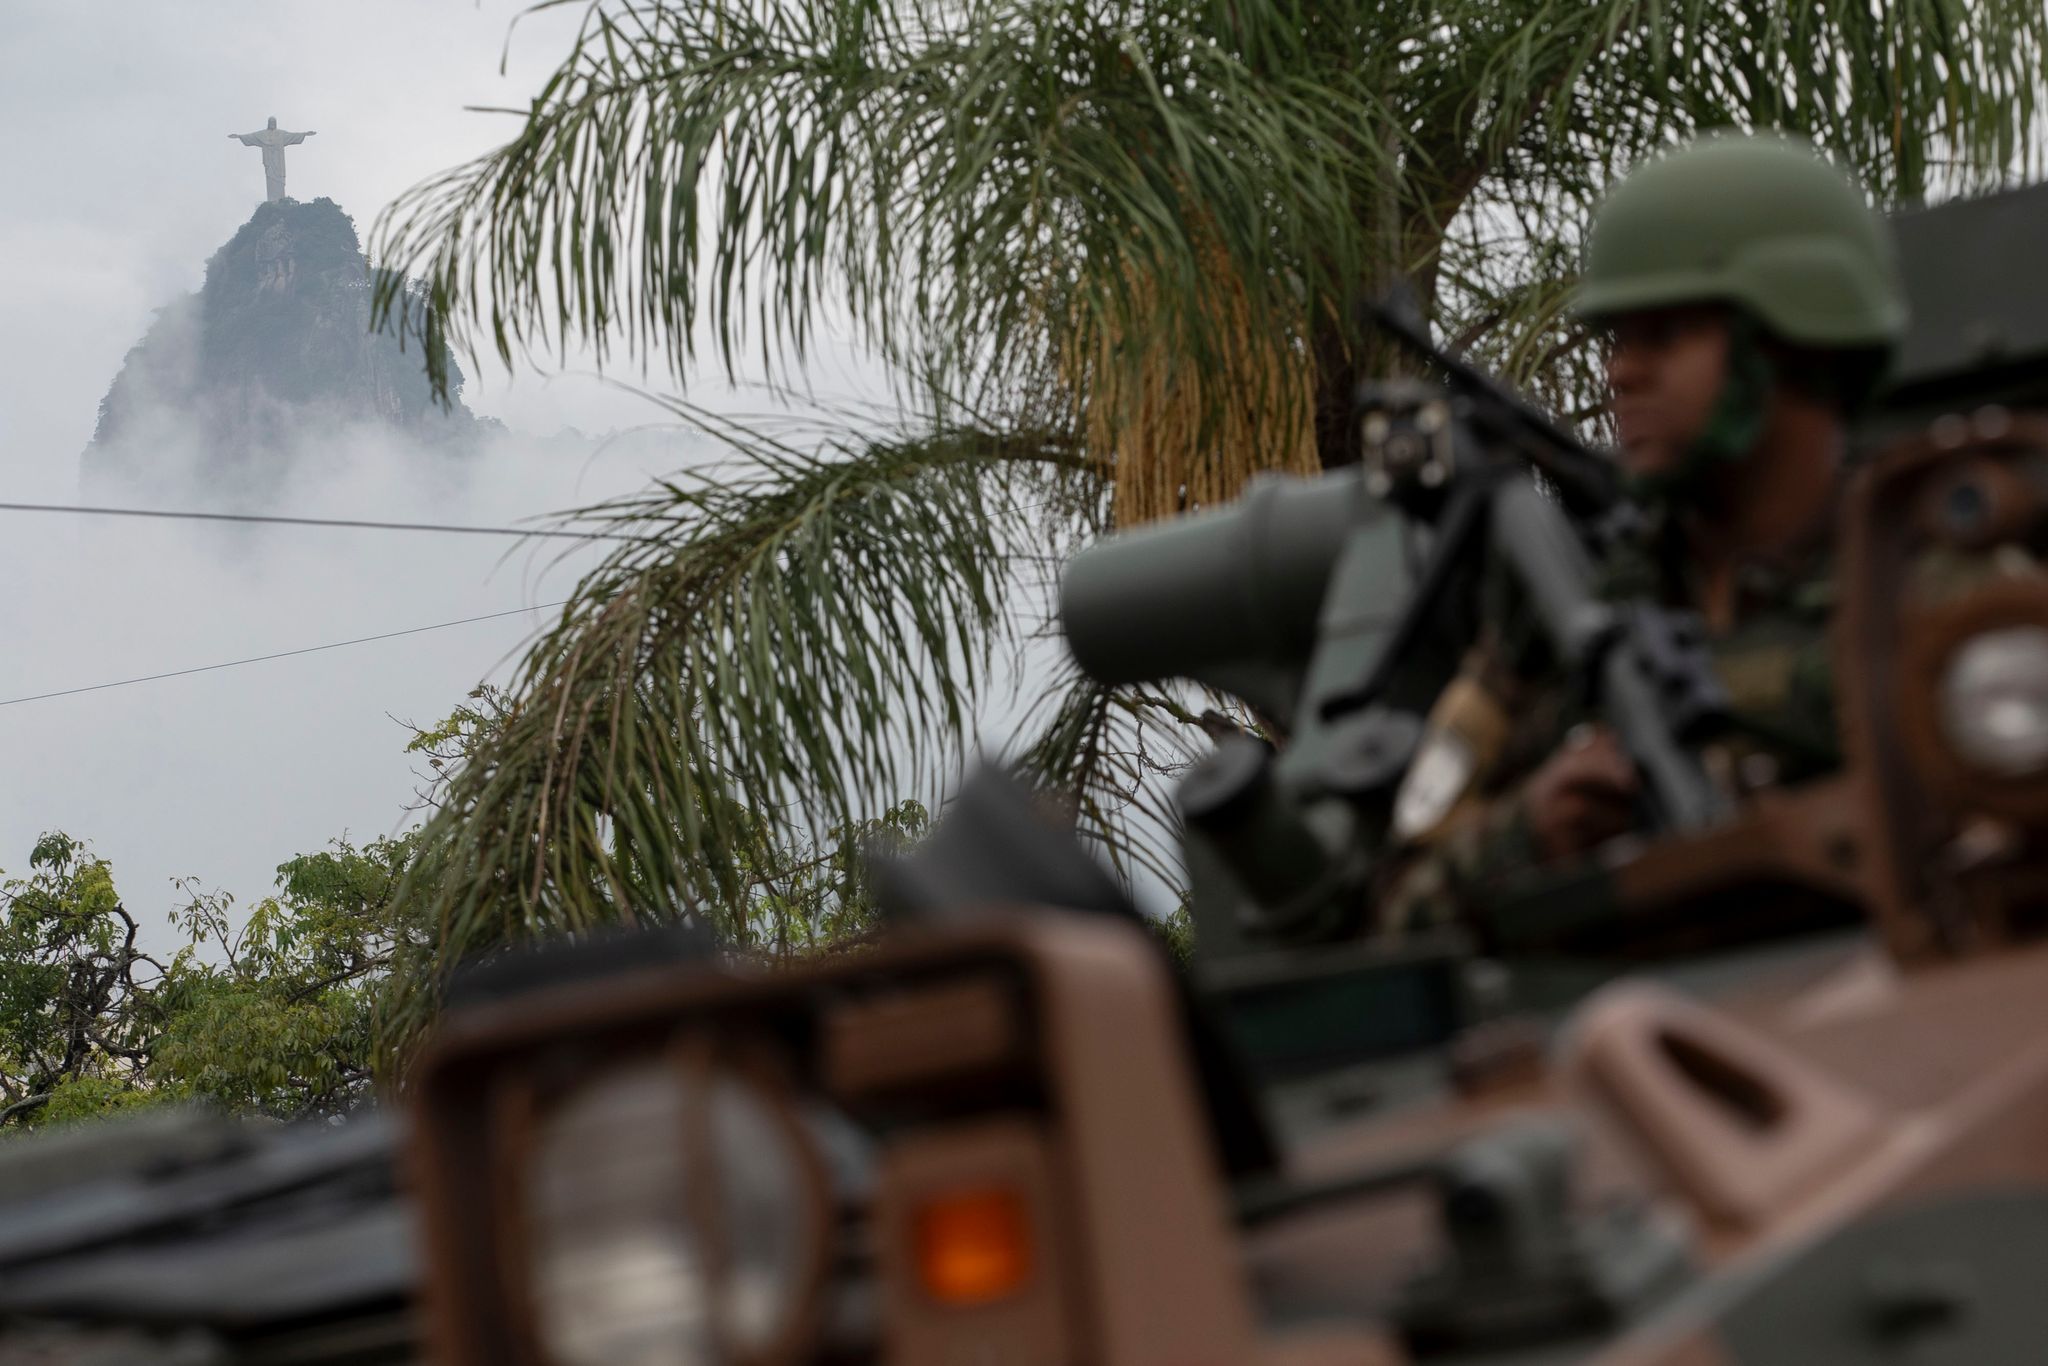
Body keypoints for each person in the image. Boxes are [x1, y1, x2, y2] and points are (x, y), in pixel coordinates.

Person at [1374, 131, 1907, 933]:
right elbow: (1396, 918)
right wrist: (1532, 830)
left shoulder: (1933, 566)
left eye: (1664, 335)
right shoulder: (1567, 608)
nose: (1621, 373)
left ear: (1787, 338)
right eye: (1618, 341)